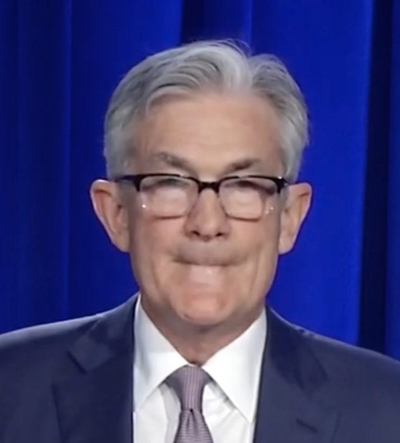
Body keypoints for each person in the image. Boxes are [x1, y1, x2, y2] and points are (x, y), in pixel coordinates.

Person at [0, 40, 399, 443]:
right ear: (116, 213)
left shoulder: (386, 410)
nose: (207, 224)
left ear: (289, 217)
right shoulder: (10, 390)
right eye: (171, 184)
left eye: (244, 185)